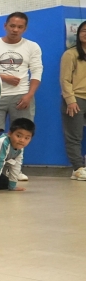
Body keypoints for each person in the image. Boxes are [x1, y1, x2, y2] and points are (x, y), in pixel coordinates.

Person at [0, 12, 43, 138]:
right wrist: (3, 77)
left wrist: (29, 95)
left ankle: (14, 153)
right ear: (5, 26)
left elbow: (37, 71)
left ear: (25, 28)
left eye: (20, 27)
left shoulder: (32, 46)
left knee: (21, 134)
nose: (15, 30)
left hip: (21, 95)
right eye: (12, 26)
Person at [60, 20, 86, 180]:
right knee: (74, 136)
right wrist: (70, 100)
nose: (85, 33)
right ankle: (77, 168)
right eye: (83, 30)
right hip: (76, 99)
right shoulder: (71, 54)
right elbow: (65, 79)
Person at [0, 119, 35, 193]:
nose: (22, 140)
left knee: (5, 183)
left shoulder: (19, 147)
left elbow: (16, 165)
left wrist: (12, 186)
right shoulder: (2, 143)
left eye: (27, 138)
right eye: (18, 136)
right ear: (10, 133)